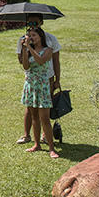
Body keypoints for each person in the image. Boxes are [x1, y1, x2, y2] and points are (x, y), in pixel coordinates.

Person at [14, 15, 61, 144]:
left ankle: (46, 136)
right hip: (31, 79)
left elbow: (56, 60)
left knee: (45, 107)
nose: (33, 24)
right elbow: (21, 61)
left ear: (41, 22)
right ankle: (26, 135)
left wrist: (57, 79)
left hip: (47, 77)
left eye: (35, 22)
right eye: (30, 23)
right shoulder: (23, 40)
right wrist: (25, 47)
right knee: (30, 109)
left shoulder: (50, 39)